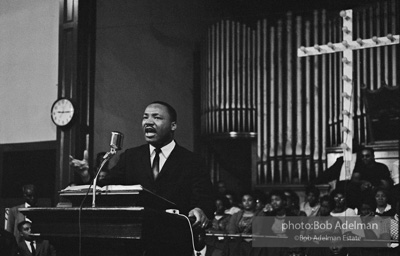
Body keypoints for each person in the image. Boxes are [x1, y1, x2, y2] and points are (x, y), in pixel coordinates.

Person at [70, 101, 214, 255]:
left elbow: (206, 199)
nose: (148, 122)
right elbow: (106, 187)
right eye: (145, 117)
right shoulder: (130, 156)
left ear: (173, 126)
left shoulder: (191, 160)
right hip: (136, 246)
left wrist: (200, 209)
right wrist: (87, 176)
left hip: (174, 243)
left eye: (157, 117)